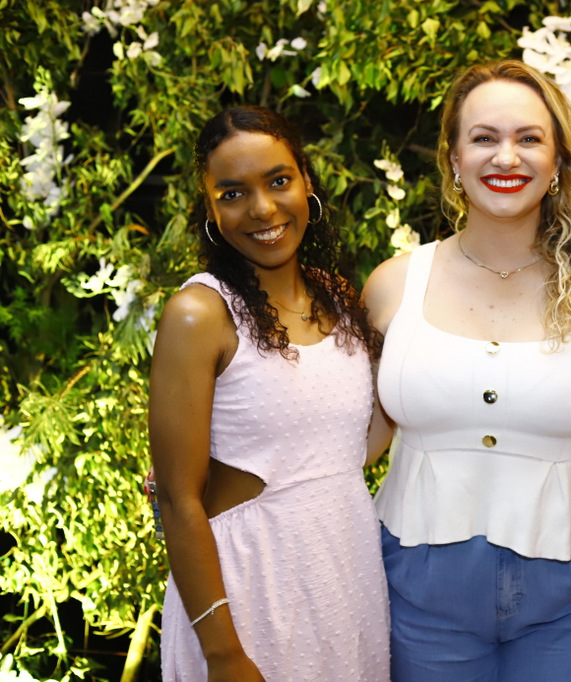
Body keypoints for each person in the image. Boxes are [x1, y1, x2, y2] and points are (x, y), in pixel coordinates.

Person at [361, 59, 571, 682]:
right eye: (484, 138)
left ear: (558, 161)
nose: (507, 157)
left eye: (529, 138)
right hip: (416, 586)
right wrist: (230, 472)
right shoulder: (393, 286)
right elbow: (353, 441)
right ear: (454, 157)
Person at [149, 106, 389, 682]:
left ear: (306, 181)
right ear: (210, 209)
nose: (261, 208)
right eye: (232, 194)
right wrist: (223, 655)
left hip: (346, 581)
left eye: (278, 180)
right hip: (249, 595)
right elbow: (178, 500)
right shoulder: (199, 314)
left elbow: (349, 449)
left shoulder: (336, 298)